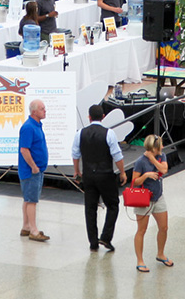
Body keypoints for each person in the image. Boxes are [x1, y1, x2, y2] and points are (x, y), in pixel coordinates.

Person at [72, 105, 126, 252]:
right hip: (105, 175)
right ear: (103, 116)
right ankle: (106, 237)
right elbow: (117, 155)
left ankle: (93, 242)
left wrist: (77, 171)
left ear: (89, 117)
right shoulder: (109, 133)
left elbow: (75, 155)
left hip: (88, 175)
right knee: (113, 205)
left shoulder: (80, 133)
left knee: (90, 209)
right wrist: (122, 172)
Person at [131, 135, 171, 272]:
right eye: (160, 145)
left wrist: (152, 159)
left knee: (164, 227)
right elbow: (135, 182)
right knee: (142, 230)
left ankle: (160, 254)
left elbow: (164, 170)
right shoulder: (140, 162)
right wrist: (146, 175)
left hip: (158, 197)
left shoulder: (162, 156)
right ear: (154, 147)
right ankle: (140, 260)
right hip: (144, 199)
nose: (163, 147)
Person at [18, 100, 50, 242]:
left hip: (36, 170)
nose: (45, 111)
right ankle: (34, 230)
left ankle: (26, 226)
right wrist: (33, 166)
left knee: (28, 199)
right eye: (42, 109)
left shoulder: (37, 125)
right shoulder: (28, 127)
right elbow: (24, 149)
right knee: (32, 200)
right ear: (34, 111)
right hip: (31, 171)